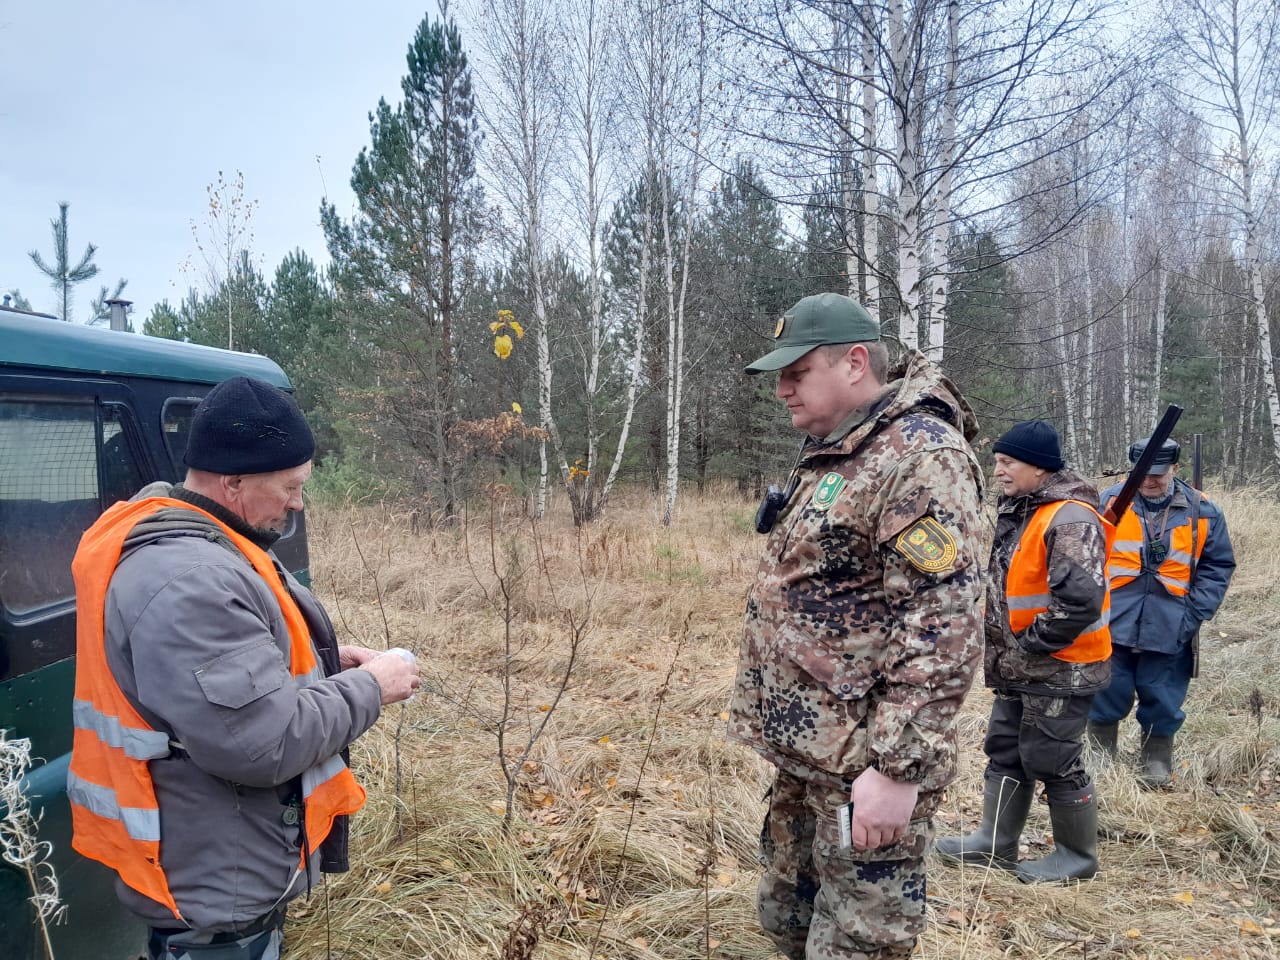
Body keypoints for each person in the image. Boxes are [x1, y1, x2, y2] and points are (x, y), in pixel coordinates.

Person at [68, 376, 420, 960]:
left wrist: (330, 668)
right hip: (214, 884)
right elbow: (262, 743)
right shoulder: (192, 581)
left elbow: (235, 688)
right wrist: (369, 688)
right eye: (289, 486)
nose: (298, 503)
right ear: (232, 482)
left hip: (218, 858)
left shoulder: (212, 542)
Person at [728, 292, 985, 959]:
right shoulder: (837, 451)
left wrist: (897, 770)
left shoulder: (920, 456)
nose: (782, 389)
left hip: (865, 768)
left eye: (796, 372)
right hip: (810, 758)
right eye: (778, 376)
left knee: (857, 944)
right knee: (791, 925)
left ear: (854, 363)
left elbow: (943, 623)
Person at [935, 419, 1110, 883]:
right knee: (1006, 750)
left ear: (1039, 467)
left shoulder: (1069, 516)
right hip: (1019, 667)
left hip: (1060, 667)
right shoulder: (1026, 508)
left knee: (1055, 760)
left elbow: (1081, 599)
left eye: (1007, 462)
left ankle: (1077, 858)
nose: (999, 472)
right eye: (998, 462)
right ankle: (994, 842)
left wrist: (1030, 643)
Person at [1087, 438, 1235, 787]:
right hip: (1113, 620)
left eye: (1158, 474)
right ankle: (1099, 757)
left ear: (1175, 470)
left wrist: (1194, 613)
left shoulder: (1203, 510)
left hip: (1172, 623)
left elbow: (1218, 566)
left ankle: (1155, 763)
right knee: (1107, 691)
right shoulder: (1108, 502)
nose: (1149, 481)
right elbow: (1085, 555)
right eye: (1142, 475)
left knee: (1163, 697)